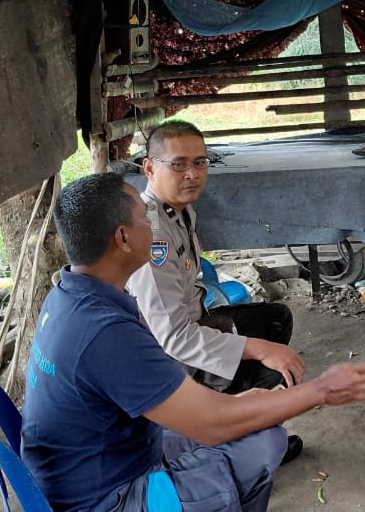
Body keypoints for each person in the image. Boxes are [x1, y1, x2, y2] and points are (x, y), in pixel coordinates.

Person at [21, 173, 365, 512]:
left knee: (253, 425)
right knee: (261, 448)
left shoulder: (69, 294)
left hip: (91, 473)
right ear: (122, 238)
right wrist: (319, 391)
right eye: (142, 218)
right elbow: (211, 424)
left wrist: (243, 404)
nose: (150, 226)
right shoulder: (102, 330)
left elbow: (186, 406)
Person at [127, 122, 302, 392]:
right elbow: (173, 339)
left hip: (193, 321)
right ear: (149, 168)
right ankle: (228, 419)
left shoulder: (178, 211)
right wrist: (259, 349)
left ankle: (244, 405)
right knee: (271, 366)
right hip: (164, 356)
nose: (192, 174)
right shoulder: (151, 234)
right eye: (179, 165)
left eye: (200, 163)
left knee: (276, 320)